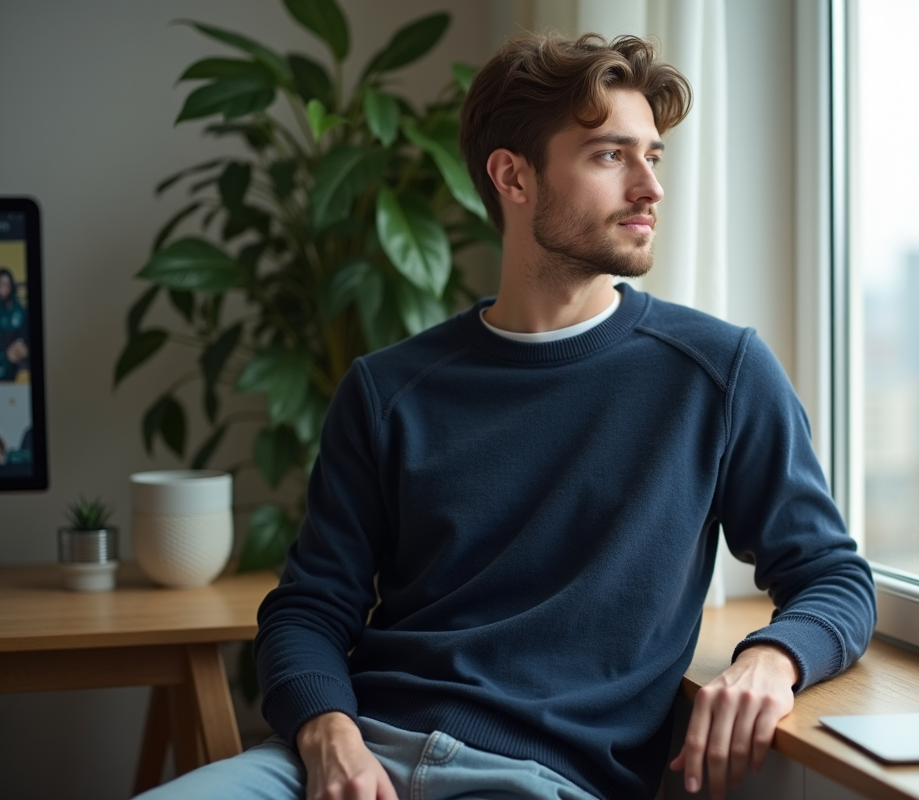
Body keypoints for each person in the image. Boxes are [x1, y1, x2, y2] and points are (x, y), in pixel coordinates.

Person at [138, 33, 875, 800]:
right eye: (610, 156)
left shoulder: (718, 375)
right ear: (512, 176)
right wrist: (328, 734)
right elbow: (307, 610)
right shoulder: (389, 390)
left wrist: (772, 659)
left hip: (536, 780)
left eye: (653, 156)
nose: (650, 187)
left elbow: (832, 576)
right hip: (337, 764)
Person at [0, 268, 29, 381]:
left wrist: (21, 342)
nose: (5, 288)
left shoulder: (19, 308)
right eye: (1, 284)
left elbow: (25, 329)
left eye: (7, 284)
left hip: (16, 353)